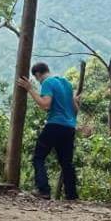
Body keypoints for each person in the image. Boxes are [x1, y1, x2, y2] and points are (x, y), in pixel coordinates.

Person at [16, 62, 81, 201]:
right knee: (66, 163)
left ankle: (43, 190)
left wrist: (30, 89)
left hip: (54, 125)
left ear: (38, 74)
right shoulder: (66, 83)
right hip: (69, 127)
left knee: (38, 157)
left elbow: (45, 105)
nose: (39, 83)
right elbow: (75, 110)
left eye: (37, 79)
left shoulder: (47, 82)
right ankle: (72, 195)